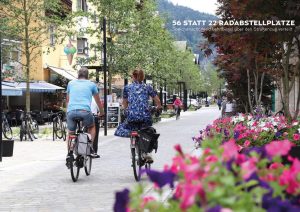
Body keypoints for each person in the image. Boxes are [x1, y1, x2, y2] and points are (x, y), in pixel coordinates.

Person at [114, 69, 162, 162]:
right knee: (147, 130)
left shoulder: (127, 88)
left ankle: (133, 143)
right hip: (145, 116)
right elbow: (157, 101)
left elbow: (124, 103)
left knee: (130, 127)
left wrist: (127, 110)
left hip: (132, 116)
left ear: (133, 76)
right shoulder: (147, 87)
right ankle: (147, 152)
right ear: (143, 77)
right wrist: (158, 107)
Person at [66, 67, 104, 164]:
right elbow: (98, 101)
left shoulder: (70, 83)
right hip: (85, 111)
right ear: (87, 76)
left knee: (71, 132)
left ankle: (69, 153)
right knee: (91, 127)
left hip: (71, 111)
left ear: (78, 75)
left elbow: (67, 100)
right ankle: (90, 147)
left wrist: (68, 111)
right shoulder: (91, 85)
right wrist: (102, 112)